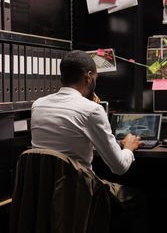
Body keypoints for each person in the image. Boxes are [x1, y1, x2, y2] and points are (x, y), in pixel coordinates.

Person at [30, 50, 147, 232]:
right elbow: (119, 167)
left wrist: (94, 112)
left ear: (62, 78)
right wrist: (129, 148)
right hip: (81, 194)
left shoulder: (38, 105)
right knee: (140, 197)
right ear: (89, 77)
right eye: (96, 78)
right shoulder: (91, 110)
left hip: (44, 197)